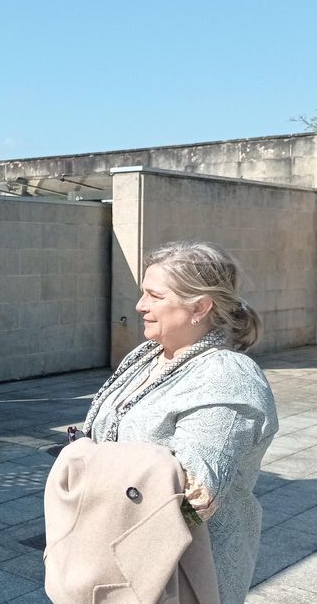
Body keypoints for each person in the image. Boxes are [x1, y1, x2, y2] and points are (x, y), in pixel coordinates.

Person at [81, 241, 278, 604]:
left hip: (175, 575)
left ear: (199, 307)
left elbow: (193, 498)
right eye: (143, 294)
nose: (141, 306)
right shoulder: (149, 354)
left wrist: (87, 471)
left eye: (155, 296)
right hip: (119, 558)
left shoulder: (226, 376)